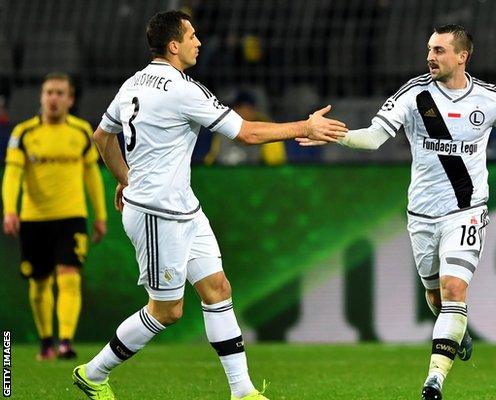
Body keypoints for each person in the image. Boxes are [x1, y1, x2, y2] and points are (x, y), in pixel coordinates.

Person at [71, 10, 346, 400]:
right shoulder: (183, 89)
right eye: (192, 36)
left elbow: (102, 137)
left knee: (217, 289)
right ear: (174, 45)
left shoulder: (132, 83)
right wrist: (304, 127)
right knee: (167, 312)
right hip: (156, 213)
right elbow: (247, 134)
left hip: (182, 207)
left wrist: (124, 178)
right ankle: (93, 373)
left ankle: (243, 392)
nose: (199, 42)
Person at [297, 24, 496, 400]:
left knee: (454, 289)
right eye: (429, 50)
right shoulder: (413, 95)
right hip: (421, 214)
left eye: (439, 51)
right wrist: (336, 135)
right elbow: (374, 137)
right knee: (436, 299)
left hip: (466, 211)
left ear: (462, 56)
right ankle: (459, 331)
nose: (430, 57)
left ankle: (434, 381)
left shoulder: (490, 98)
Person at [2, 72, 108, 361]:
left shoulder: (82, 131)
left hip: (71, 217)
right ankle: (46, 341)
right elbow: (12, 174)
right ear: (41, 97)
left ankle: (65, 342)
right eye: (49, 92)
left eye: (60, 93)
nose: (54, 98)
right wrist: (10, 209)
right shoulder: (23, 133)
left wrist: (100, 215)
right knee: (39, 283)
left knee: (69, 278)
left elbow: (92, 176)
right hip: (34, 219)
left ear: (70, 100)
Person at [204, 90, 287, 166]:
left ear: (248, 108)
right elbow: (212, 159)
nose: (230, 112)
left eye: (235, 108)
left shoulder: (266, 127)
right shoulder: (225, 126)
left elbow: (275, 162)